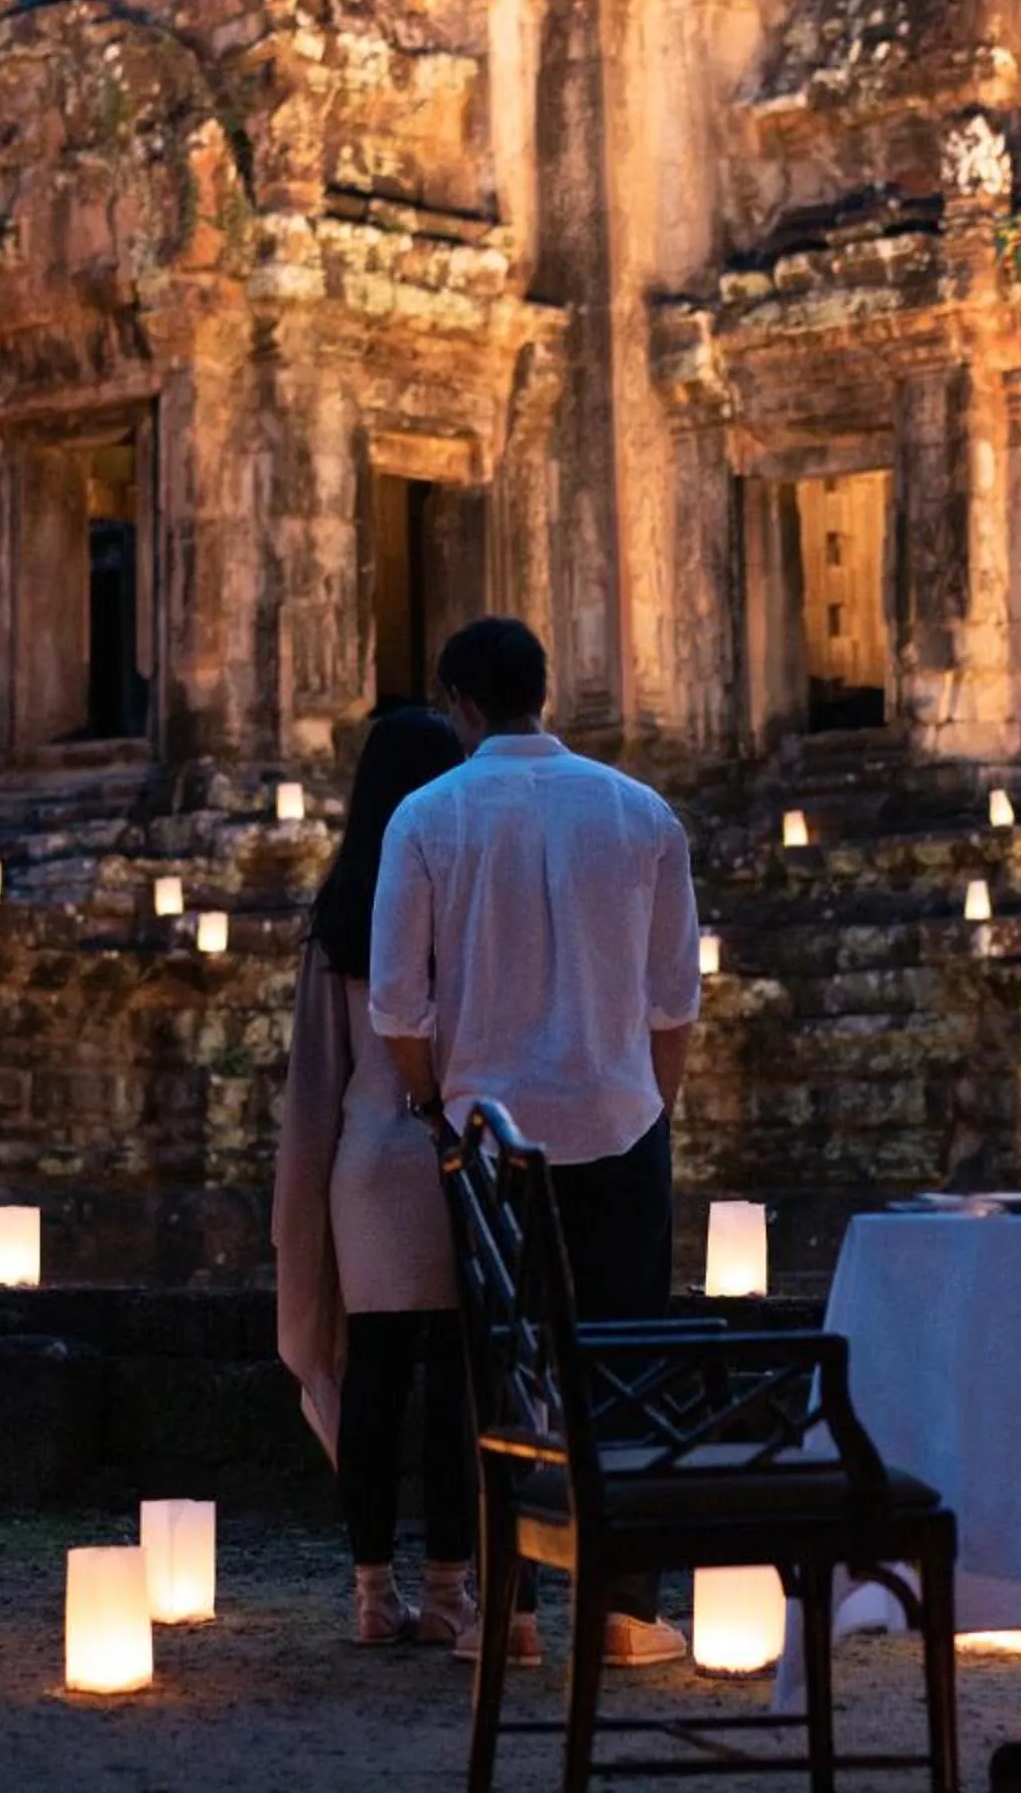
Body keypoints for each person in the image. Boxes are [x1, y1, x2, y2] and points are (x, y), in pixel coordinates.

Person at [369, 614, 703, 1669]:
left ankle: (505, 1611)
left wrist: (432, 1110)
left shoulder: (426, 815)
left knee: (495, 1367)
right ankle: (624, 1606)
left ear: (459, 702)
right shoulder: (639, 810)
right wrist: (656, 1101)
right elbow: (674, 997)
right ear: (542, 691)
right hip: (618, 1116)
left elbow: (400, 1007)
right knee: (627, 1362)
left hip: (488, 1133)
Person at [273, 705, 479, 1647]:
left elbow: (316, 1079)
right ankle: (446, 1588)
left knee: (376, 1379)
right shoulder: (465, 894)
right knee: (456, 1382)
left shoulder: (344, 904)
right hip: (455, 1149)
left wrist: (303, 1195)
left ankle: (370, 1591)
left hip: (365, 1159)